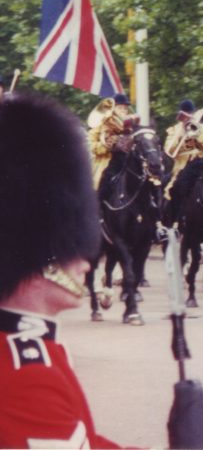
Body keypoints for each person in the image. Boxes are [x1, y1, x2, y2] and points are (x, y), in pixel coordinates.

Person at [0, 92, 121, 447]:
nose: (86, 260)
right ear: (41, 254)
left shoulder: (39, 352)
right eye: (70, 245)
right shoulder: (24, 374)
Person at [163, 99, 203, 231]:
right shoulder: (174, 130)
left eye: (190, 114)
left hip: (200, 163)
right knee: (173, 188)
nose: (188, 118)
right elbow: (168, 150)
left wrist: (197, 134)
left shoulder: (201, 127)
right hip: (181, 166)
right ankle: (175, 220)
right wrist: (180, 135)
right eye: (185, 115)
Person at [86, 92, 133, 190]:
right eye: (120, 108)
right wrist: (107, 145)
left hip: (128, 160)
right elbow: (90, 145)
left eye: (125, 108)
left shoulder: (131, 127)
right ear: (113, 109)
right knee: (103, 184)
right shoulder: (100, 126)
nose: (124, 111)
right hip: (108, 162)